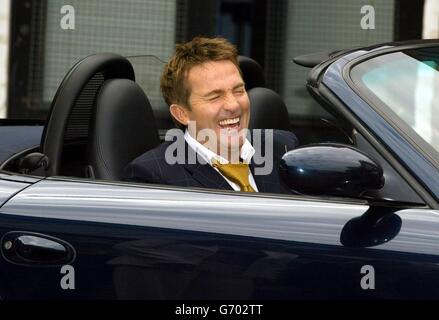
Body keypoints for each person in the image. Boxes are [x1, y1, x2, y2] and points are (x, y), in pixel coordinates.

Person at [123, 36, 298, 193]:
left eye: (238, 90)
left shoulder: (284, 150)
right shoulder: (153, 177)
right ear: (182, 113)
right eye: (215, 97)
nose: (233, 105)